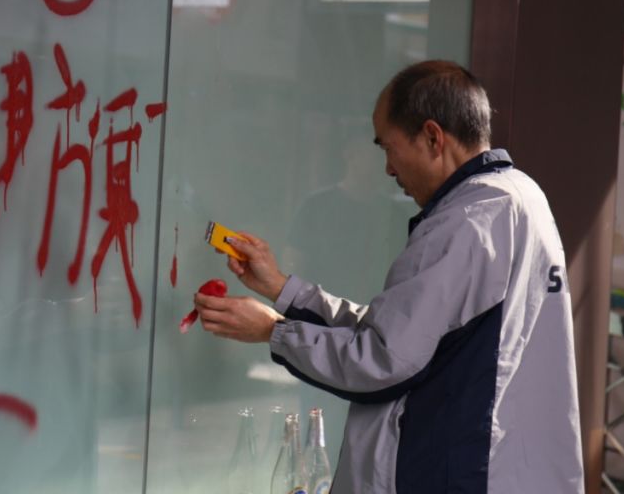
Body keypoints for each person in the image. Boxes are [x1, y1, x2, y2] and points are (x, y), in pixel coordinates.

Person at [194, 60, 584, 493]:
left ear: (433, 137)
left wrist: (273, 331)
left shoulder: (468, 221)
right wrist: (282, 289)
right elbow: (402, 334)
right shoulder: (520, 197)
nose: (388, 169)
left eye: (388, 147)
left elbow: (383, 362)